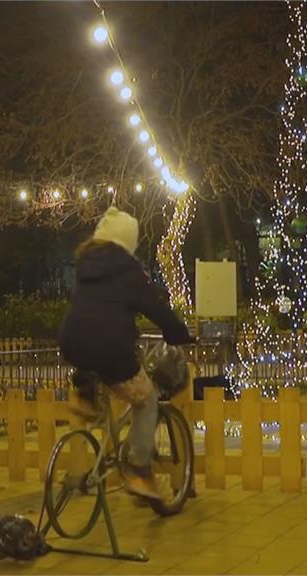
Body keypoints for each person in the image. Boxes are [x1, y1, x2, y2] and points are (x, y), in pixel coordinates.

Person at [58, 206, 192, 500]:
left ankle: (86, 393)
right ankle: (138, 471)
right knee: (146, 400)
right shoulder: (128, 271)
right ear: (127, 243)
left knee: (95, 361)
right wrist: (178, 333)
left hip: (72, 342)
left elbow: (93, 311)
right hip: (112, 348)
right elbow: (156, 308)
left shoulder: (84, 267)